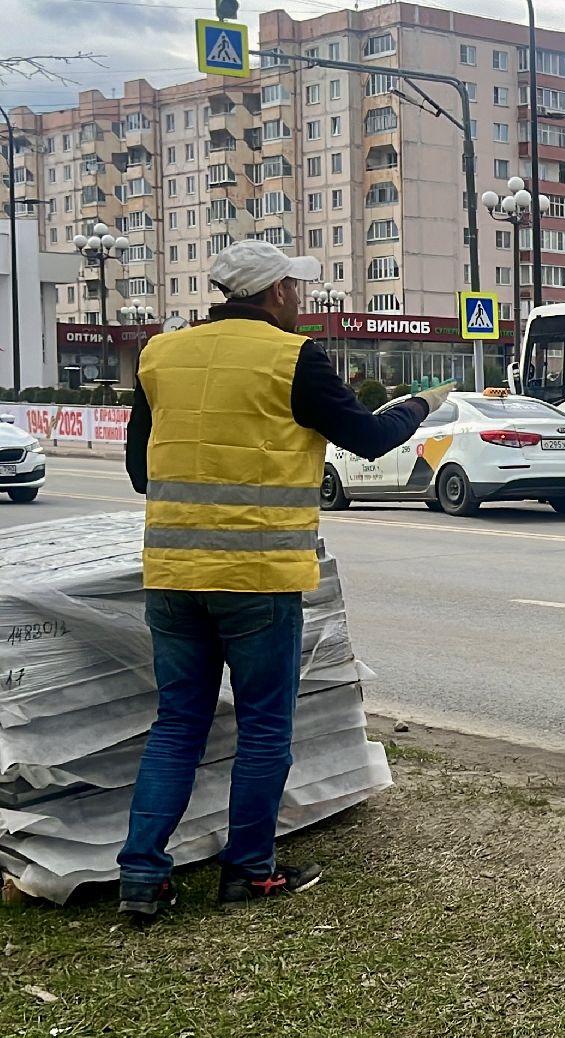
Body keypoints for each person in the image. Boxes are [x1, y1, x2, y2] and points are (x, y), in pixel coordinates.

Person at [116, 240, 452, 918]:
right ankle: (250, 870)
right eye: (295, 290)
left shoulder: (160, 355)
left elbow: (141, 473)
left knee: (177, 723)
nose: (299, 300)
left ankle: (142, 877)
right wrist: (420, 405)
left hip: (173, 574)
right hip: (258, 576)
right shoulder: (293, 358)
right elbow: (367, 438)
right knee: (266, 726)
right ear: (275, 294)